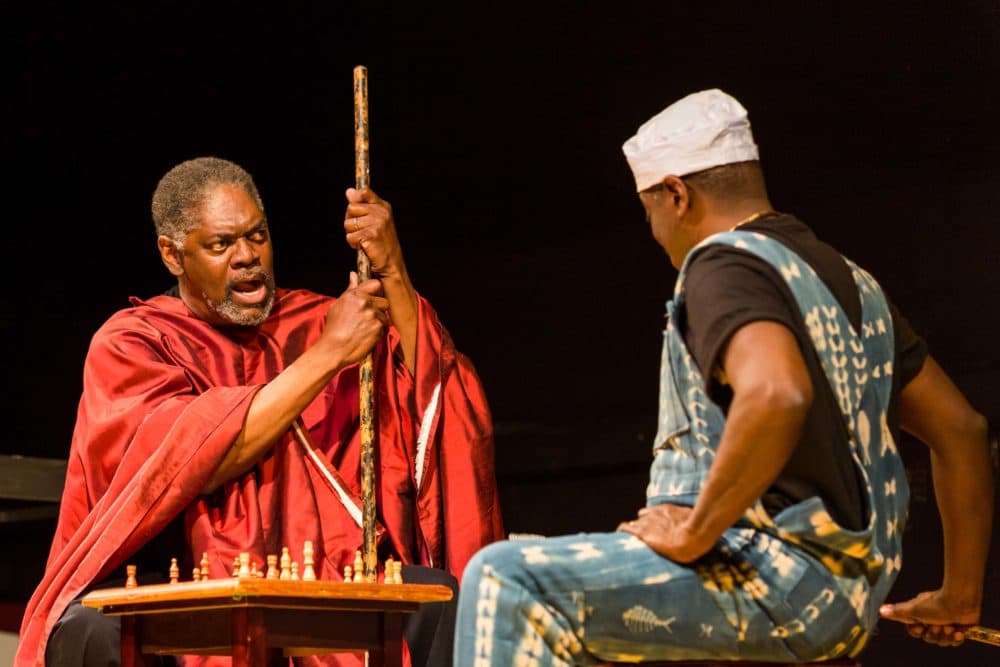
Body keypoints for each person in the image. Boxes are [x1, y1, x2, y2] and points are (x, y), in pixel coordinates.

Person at [454, 89, 993, 664]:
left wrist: (694, 532)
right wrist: (960, 596)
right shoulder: (853, 284)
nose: (656, 234)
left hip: (770, 581)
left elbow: (776, 392)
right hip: (843, 602)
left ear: (676, 195)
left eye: (649, 213)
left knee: (505, 580)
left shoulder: (722, 261)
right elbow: (962, 430)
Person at [17, 157, 504, 667]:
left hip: (321, 567)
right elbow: (196, 458)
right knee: (91, 630)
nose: (248, 257)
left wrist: (393, 269)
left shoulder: (313, 320)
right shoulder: (134, 342)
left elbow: (434, 393)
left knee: (441, 598)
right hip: (179, 574)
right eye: (221, 244)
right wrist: (328, 356)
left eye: (258, 236)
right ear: (172, 255)